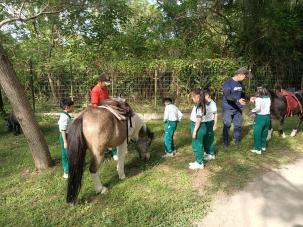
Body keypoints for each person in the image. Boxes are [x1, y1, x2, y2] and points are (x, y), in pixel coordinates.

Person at [90, 72, 118, 160]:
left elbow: (107, 98)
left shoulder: (105, 88)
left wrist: (113, 100)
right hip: (99, 113)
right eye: (105, 82)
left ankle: (114, 150)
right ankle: (105, 150)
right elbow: (94, 105)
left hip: (107, 109)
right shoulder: (95, 90)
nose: (107, 84)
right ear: (100, 81)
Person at [222, 67, 252, 147]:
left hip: (238, 108)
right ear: (240, 74)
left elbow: (242, 94)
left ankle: (237, 140)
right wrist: (237, 101)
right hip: (228, 107)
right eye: (245, 77)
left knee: (238, 125)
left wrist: (249, 98)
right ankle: (225, 142)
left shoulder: (240, 83)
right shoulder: (227, 83)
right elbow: (227, 95)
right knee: (227, 124)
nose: (246, 78)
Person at [249, 87, 271, 154]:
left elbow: (258, 108)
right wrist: (255, 100)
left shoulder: (258, 99)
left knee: (257, 133)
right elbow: (263, 102)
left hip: (260, 117)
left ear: (258, 92)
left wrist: (251, 111)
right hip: (267, 117)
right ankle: (263, 146)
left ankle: (258, 149)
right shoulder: (268, 98)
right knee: (264, 132)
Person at [189, 88, 207, 170]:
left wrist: (195, 131)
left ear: (197, 97)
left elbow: (199, 120)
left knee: (198, 145)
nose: (192, 99)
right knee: (195, 145)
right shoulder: (198, 105)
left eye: (193, 97)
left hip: (198, 128)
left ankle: (200, 163)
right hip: (196, 126)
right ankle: (197, 161)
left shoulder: (200, 107)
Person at [58, 98, 74, 179]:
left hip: (68, 136)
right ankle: (66, 172)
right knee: (66, 154)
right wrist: (65, 142)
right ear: (67, 107)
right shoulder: (64, 117)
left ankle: (70, 167)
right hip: (65, 137)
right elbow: (63, 130)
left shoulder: (65, 115)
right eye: (72, 107)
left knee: (68, 153)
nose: (73, 108)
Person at [203, 90, 218, 160]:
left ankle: (211, 154)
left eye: (203, 96)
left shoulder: (212, 103)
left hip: (210, 123)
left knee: (210, 138)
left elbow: (215, 114)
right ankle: (206, 152)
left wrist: (215, 124)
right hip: (203, 122)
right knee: (205, 138)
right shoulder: (203, 102)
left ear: (208, 96)